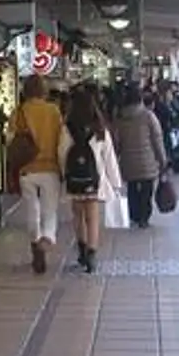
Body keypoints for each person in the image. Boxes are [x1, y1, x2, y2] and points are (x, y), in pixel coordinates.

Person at [59, 89, 121, 273]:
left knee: (78, 215)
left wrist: (65, 174)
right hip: (95, 180)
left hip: (75, 180)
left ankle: (82, 249)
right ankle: (92, 254)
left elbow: (62, 153)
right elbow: (109, 157)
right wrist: (115, 182)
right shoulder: (100, 128)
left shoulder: (67, 128)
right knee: (92, 217)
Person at [9, 75, 64, 274]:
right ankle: (47, 238)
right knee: (50, 210)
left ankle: (35, 243)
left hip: (26, 168)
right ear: (44, 90)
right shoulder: (53, 111)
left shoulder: (19, 111)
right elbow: (61, 140)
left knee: (32, 209)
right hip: (50, 168)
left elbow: (10, 140)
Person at [112, 84, 168, 228]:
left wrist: (116, 158)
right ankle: (144, 217)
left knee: (132, 189)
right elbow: (157, 140)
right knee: (146, 190)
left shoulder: (120, 117)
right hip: (147, 162)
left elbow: (116, 142)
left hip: (127, 161)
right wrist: (163, 161)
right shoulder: (148, 116)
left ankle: (134, 215)